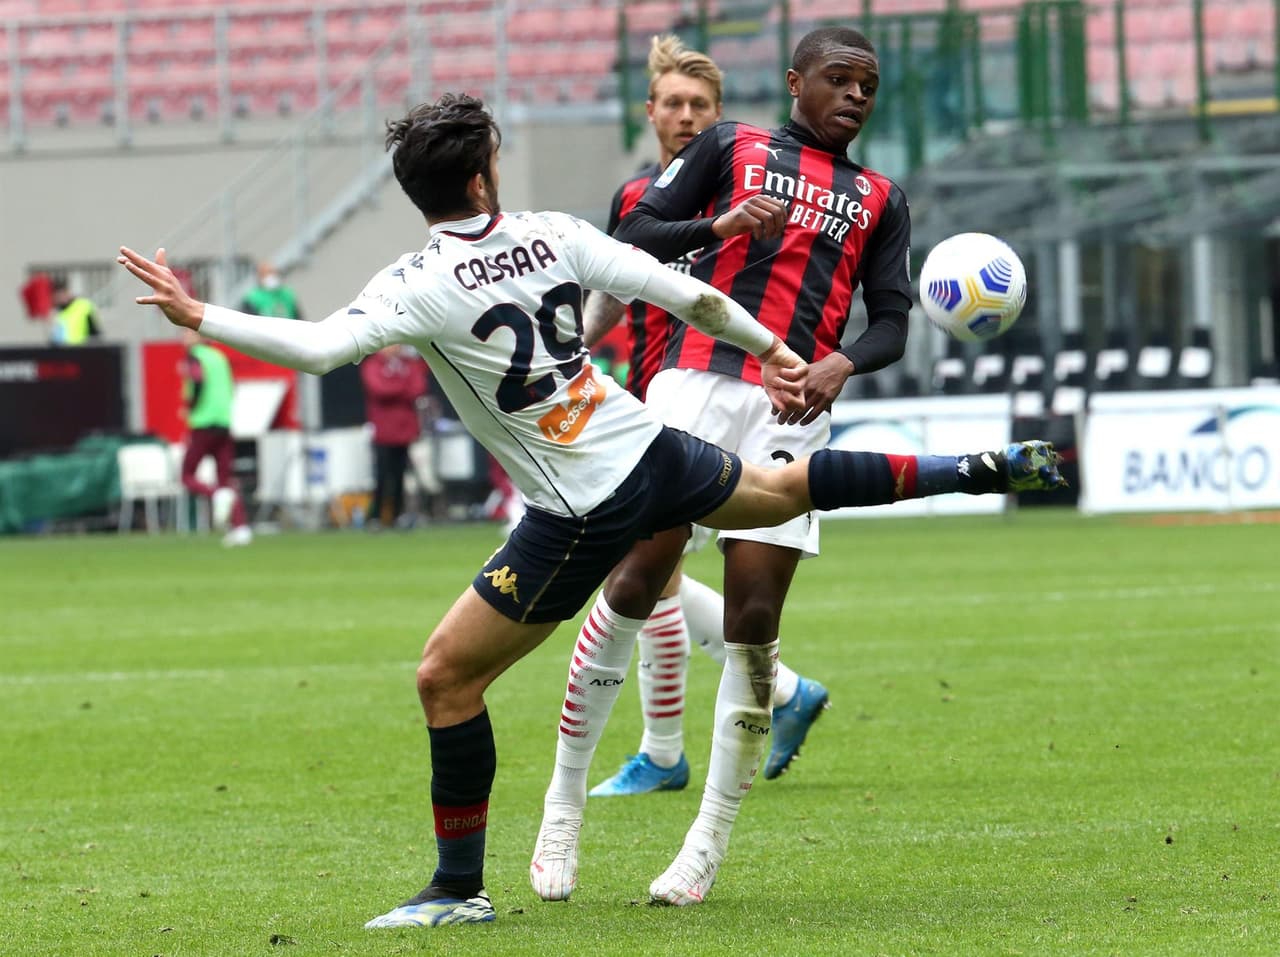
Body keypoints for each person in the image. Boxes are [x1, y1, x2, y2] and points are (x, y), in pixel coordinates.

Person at [117, 92, 1064, 928]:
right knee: (779, 487)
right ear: (483, 179)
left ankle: (458, 886)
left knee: (446, 678)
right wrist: (776, 351)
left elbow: (321, 349)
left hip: (577, 506)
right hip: (647, 443)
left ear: (420, 193)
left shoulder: (416, 285)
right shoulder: (554, 232)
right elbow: (689, 293)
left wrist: (201, 317)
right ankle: (974, 470)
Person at [532, 25, 915, 906]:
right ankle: (562, 805)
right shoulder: (730, 145)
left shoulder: (881, 197)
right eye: (840, 79)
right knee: (636, 579)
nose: (856, 95)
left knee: (754, 617)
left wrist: (842, 364)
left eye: (868, 85)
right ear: (796, 81)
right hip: (694, 387)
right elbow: (634, 232)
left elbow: (893, 318)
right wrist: (721, 223)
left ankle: (705, 844)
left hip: (793, 410)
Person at [576, 34, 830, 800]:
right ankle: (779, 693)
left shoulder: (746, 198)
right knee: (644, 569)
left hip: (723, 392)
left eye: (700, 106)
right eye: (673, 104)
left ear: (719, 117)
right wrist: (571, 351)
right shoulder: (636, 201)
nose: (686, 116)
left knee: (645, 567)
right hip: (649, 394)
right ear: (650, 112)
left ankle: (670, 749)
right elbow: (613, 290)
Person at [178, 327, 253, 546]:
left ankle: (216, 494)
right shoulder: (220, 357)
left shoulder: (196, 357)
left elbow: (197, 382)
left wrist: (190, 406)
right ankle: (241, 527)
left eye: (188, 333)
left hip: (204, 422)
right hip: (224, 422)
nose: (184, 338)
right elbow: (231, 387)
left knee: (187, 475)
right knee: (226, 478)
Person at [361, 344, 429, 528]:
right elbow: (379, 389)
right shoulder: (373, 364)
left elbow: (419, 387)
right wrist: (403, 384)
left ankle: (397, 515)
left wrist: (395, 384)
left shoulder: (409, 363)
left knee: (400, 475)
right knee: (381, 475)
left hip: (404, 430)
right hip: (383, 430)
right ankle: (376, 516)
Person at [50, 277, 101, 346]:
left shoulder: (83, 305)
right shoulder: (56, 311)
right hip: (63, 350)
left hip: (82, 349)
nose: (58, 299)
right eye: (56, 297)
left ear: (67, 292)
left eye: (60, 295)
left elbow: (94, 333)